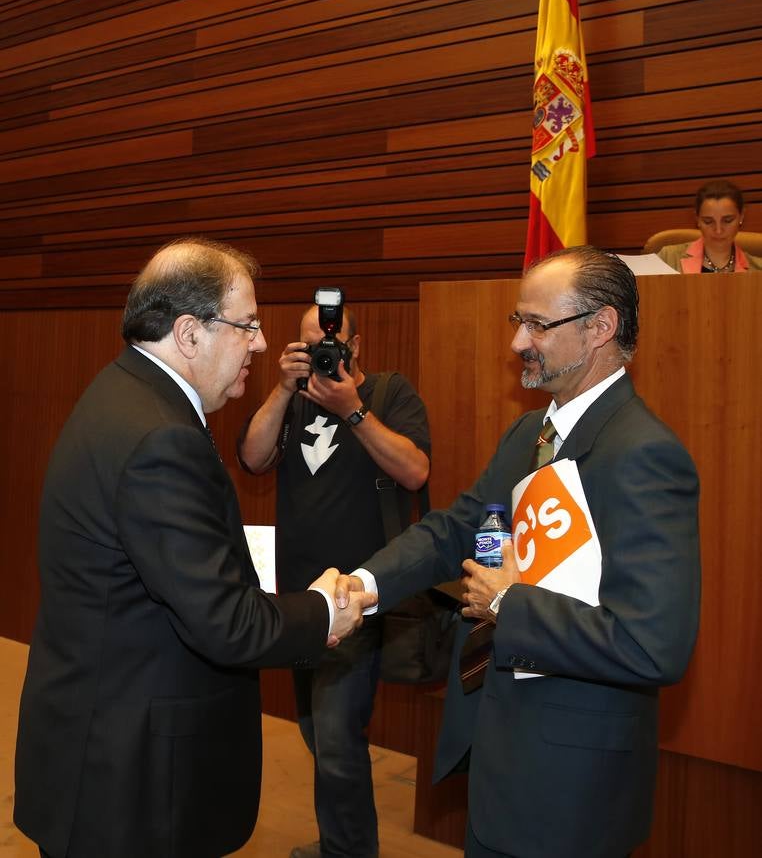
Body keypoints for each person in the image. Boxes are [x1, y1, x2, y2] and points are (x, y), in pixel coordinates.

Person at [14, 237, 375, 858]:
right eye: (248, 326)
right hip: (133, 778)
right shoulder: (160, 436)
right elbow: (226, 623)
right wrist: (323, 611)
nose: (261, 345)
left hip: (102, 733)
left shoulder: (123, 393)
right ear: (189, 333)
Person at [335, 247, 701, 858]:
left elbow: (653, 645)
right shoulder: (529, 433)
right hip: (500, 747)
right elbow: (457, 529)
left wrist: (508, 603)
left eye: (537, 325)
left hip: (571, 782)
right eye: (518, 323)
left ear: (600, 328)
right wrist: (364, 585)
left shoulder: (641, 453)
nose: (518, 344)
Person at [237, 299, 431, 858]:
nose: (322, 353)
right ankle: (342, 842)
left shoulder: (390, 393)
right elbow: (252, 459)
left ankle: (347, 852)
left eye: (331, 343)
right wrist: (281, 389)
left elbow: (416, 470)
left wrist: (353, 410)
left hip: (360, 595)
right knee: (315, 731)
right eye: (308, 344)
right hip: (299, 598)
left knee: (338, 737)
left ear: (357, 345)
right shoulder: (290, 401)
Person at [657, 179, 762, 273]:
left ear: (741, 216)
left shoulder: (758, 269)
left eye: (727, 220)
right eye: (708, 221)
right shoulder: (667, 259)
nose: (718, 230)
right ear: (697, 219)